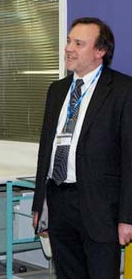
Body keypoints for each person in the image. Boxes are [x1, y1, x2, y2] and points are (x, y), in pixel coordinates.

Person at [32, 17, 132, 279]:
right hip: (59, 200)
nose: (68, 48)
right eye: (68, 41)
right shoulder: (57, 90)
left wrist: (127, 217)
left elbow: (130, 159)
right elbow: (46, 150)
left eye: (79, 43)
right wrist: (38, 204)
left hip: (100, 207)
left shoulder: (123, 90)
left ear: (100, 51)